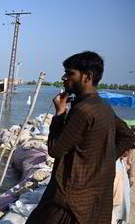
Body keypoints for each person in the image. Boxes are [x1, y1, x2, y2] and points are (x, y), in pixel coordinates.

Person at [26, 51, 135, 224]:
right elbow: (128, 136)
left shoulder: (83, 110)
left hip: (69, 198)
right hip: (94, 198)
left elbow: (55, 149)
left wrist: (60, 113)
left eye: (70, 73)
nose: (64, 77)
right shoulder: (102, 107)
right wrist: (101, 162)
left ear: (87, 76)